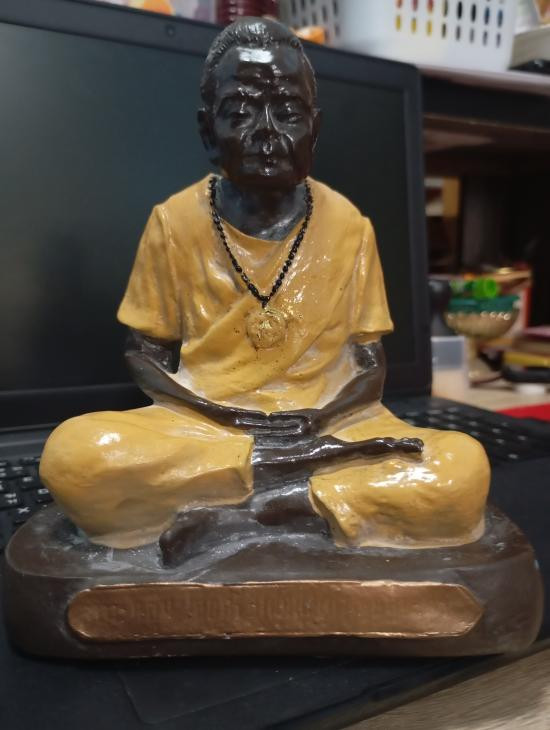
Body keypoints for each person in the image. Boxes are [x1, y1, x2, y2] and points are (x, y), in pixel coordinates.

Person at [39, 18, 489, 551]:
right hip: (208, 429)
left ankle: (254, 515)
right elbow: (144, 352)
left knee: (461, 466)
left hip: (327, 426)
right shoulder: (175, 221)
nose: (267, 132)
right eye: (240, 113)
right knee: (73, 456)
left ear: (314, 130)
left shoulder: (348, 226)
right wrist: (225, 416)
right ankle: (305, 488)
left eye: (288, 113)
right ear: (208, 131)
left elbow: (368, 364)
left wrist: (319, 420)